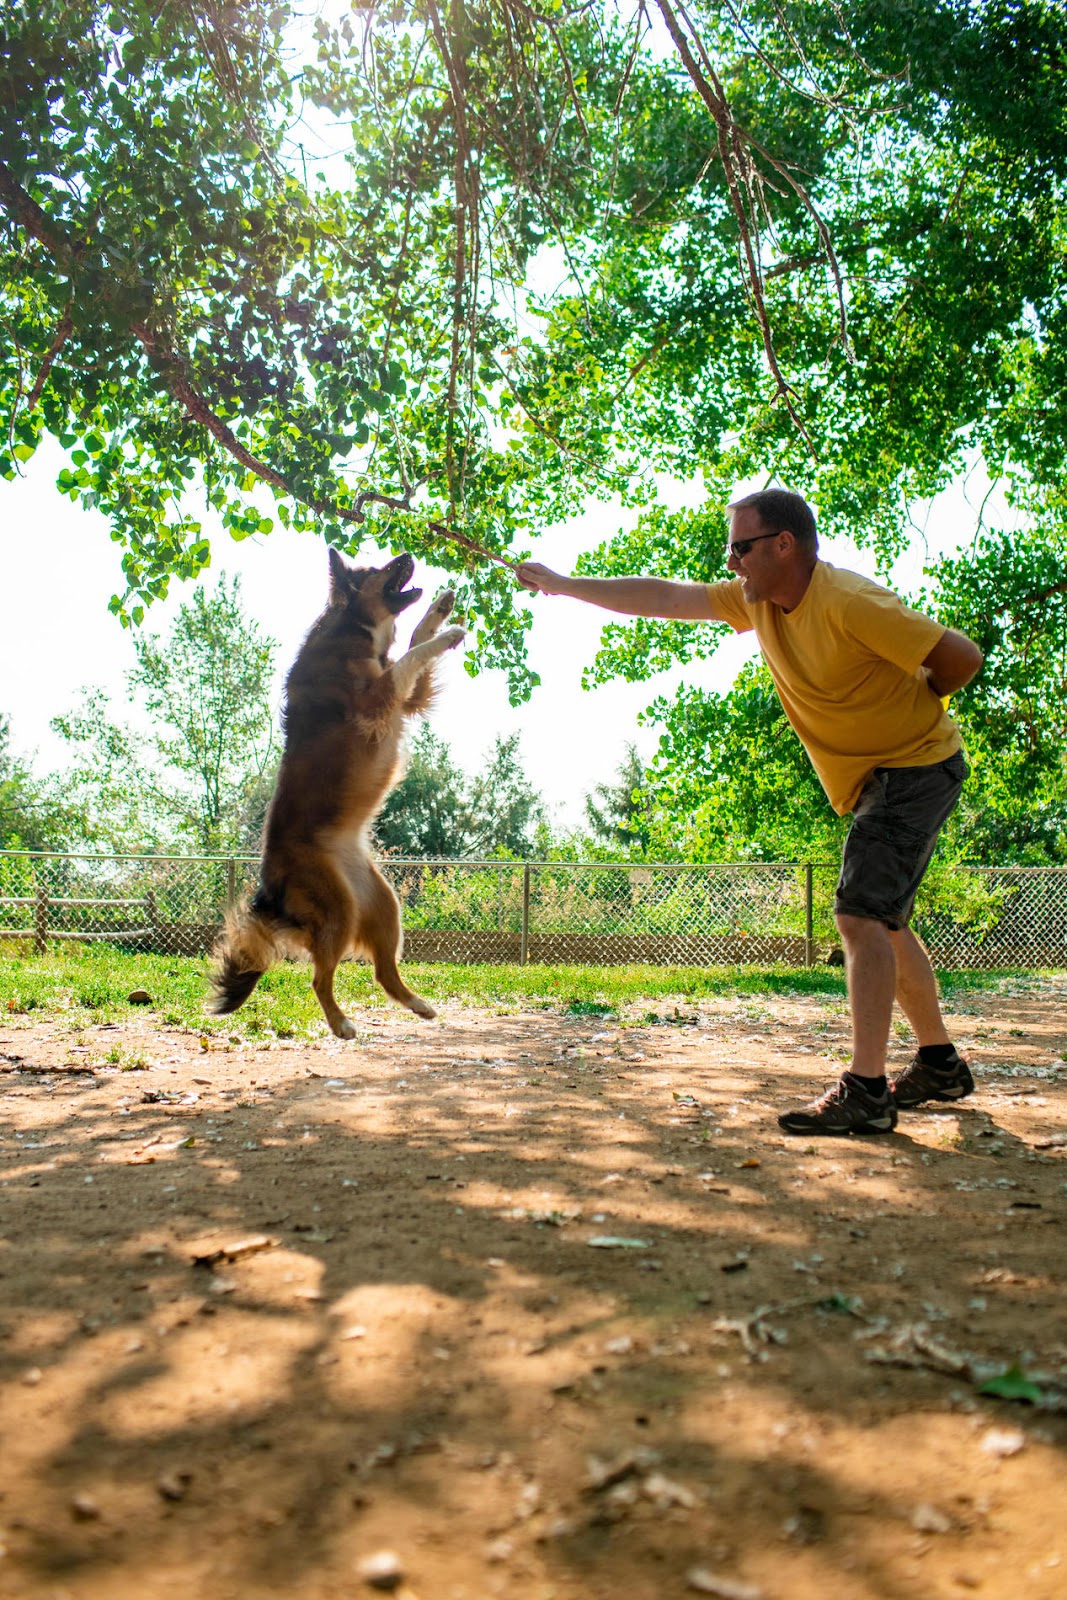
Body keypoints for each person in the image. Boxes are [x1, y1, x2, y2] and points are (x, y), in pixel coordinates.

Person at [516, 488, 984, 1136]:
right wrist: (565, 584)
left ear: (782, 545)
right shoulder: (755, 604)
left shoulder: (848, 601)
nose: (730, 562)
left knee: (858, 916)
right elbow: (663, 597)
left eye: (740, 547)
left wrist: (907, 707)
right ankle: (938, 1064)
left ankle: (867, 1090)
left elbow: (960, 657)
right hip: (882, 775)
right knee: (884, 922)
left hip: (915, 764)